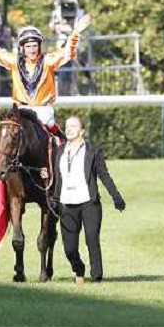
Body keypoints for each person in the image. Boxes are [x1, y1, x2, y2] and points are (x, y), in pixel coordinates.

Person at [0, 13, 92, 215]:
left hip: (44, 111)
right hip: (21, 111)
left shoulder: (50, 61)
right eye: (28, 46)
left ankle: (66, 189)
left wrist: (76, 32)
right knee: (3, 147)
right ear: (22, 48)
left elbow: (68, 53)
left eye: (35, 45)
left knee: (62, 143)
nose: (32, 49)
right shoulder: (13, 62)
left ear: (39, 46)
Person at [52, 115, 126, 284]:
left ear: (82, 131)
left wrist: (116, 197)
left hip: (89, 203)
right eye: (67, 126)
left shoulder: (93, 151)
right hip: (66, 204)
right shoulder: (60, 151)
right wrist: (54, 199)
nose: (68, 129)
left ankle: (97, 277)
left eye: (73, 126)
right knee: (69, 249)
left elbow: (104, 175)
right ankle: (78, 268)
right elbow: (57, 177)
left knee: (92, 238)